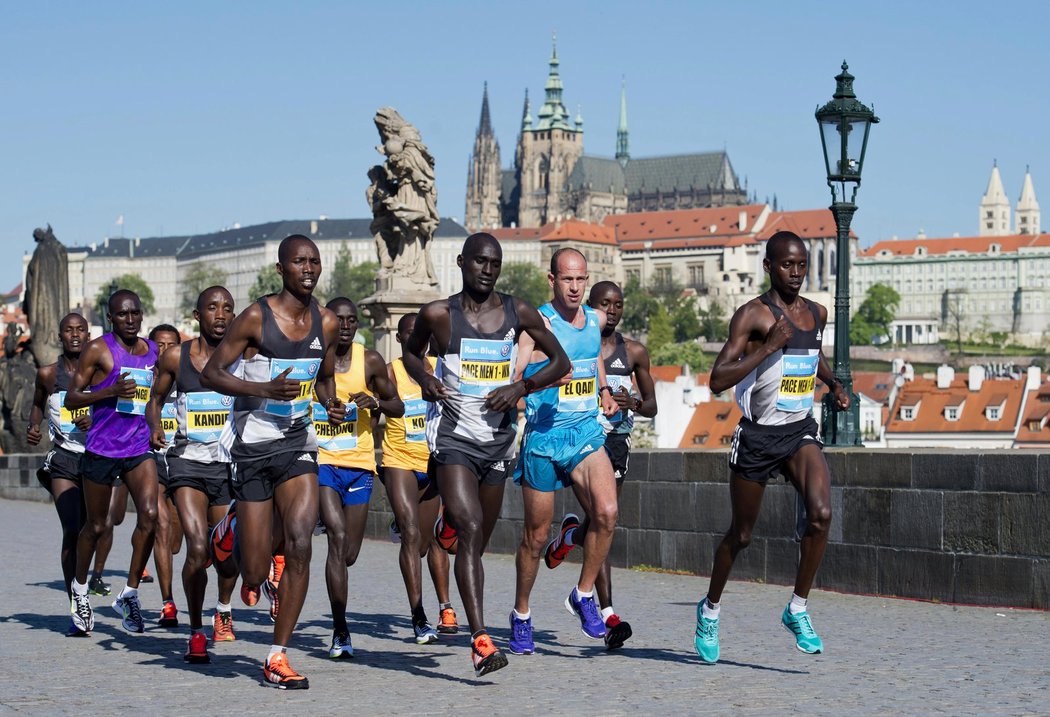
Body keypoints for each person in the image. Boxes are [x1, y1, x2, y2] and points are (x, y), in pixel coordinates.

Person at [403, 232, 570, 677]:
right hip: (455, 439)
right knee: (472, 526)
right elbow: (408, 352)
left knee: (476, 540)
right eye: (480, 262)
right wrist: (426, 379)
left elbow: (561, 362)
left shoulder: (518, 312)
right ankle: (480, 640)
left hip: (498, 442)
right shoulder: (438, 315)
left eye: (494, 263)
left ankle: (446, 529)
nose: (488, 269)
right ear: (462, 262)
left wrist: (521, 386)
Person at [693, 231, 848, 664]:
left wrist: (832, 383)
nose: (795, 273)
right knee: (742, 535)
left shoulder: (816, 312)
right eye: (786, 265)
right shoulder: (752, 317)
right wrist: (767, 349)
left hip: (798, 429)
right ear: (768, 267)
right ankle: (709, 610)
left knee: (821, 514)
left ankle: (797, 608)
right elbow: (718, 378)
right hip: (758, 435)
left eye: (801, 265)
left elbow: (813, 354)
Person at [202, 235, 345, 690]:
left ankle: (277, 655)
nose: (309, 269)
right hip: (252, 446)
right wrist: (264, 391)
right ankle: (230, 531)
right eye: (299, 262)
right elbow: (212, 373)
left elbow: (323, 379)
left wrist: (332, 402)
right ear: (281, 269)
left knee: (302, 541)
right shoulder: (256, 318)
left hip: (298, 443)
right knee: (255, 572)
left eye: (315, 262)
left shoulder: (325, 321)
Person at [508, 249, 620, 656]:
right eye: (567, 280)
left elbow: (594, 359)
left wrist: (604, 392)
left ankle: (583, 594)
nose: (575, 287)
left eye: (581, 280)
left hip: (584, 431)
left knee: (607, 513)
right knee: (535, 538)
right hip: (543, 436)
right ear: (551, 280)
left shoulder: (595, 319)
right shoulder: (536, 324)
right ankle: (521, 614)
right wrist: (547, 376)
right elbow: (514, 379)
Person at [543, 281, 657, 649]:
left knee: (602, 523)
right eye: (604, 304)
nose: (612, 311)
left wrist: (633, 403)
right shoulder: (576, 344)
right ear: (591, 307)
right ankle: (607, 613)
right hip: (582, 442)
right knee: (602, 516)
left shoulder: (634, 352)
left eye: (618, 304)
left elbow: (652, 406)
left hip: (618, 443)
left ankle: (570, 537)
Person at [148, 288, 239, 664]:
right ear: (197, 314)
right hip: (187, 464)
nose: (221, 314)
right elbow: (155, 399)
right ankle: (196, 631)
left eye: (228, 308)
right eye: (212, 308)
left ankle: (223, 607)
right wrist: (154, 425)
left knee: (227, 559)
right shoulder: (176, 357)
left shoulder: (243, 356)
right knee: (197, 549)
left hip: (229, 467)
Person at [312, 297, 402, 659]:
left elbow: (398, 405)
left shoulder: (371, 361)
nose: (346, 325)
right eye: (339, 320)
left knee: (347, 554)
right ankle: (341, 630)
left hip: (360, 465)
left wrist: (377, 404)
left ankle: (321, 524)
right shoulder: (315, 360)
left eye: (351, 320)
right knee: (335, 539)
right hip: (321, 462)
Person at [65, 290, 160, 635]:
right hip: (102, 449)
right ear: (111, 318)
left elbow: (150, 397)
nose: (130, 319)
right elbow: (73, 397)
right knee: (97, 526)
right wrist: (108, 391)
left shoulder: (152, 350)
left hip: (137, 447)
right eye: (123, 315)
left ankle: (130, 593)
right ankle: (79, 588)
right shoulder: (98, 349)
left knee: (151, 515)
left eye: (135, 313)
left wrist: (155, 425)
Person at [379, 313, 457, 644]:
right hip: (398, 460)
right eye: (410, 335)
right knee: (411, 535)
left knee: (430, 542)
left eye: (421, 335)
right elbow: (372, 410)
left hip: (432, 460)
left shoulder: (440, 367)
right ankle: (419, 616)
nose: (418, 340)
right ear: (400, 339)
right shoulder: (390, 371)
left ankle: (446, 607)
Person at [27, 313, 92, 634]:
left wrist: (94, 421)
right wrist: (34, 425)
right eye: (69, 330)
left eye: (81, 330)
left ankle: (85, 581)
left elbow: (118, 408)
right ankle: (76, 601)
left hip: (97, 460)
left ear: (89, 333)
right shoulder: (48, 374)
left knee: (96, 529)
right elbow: (38, 403)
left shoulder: (101, 372)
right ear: (60, 336)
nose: (75, 335)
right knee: (71, 529)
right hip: (64, 460)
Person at [148, 324, 184, 628]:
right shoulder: (143, 380)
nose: (165, 350)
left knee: (176, 543)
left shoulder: (190, 374)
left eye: (171, 344)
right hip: (152, 460)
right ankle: (167, 602)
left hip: (186, 463)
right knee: (160, 525)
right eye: (159, 345)